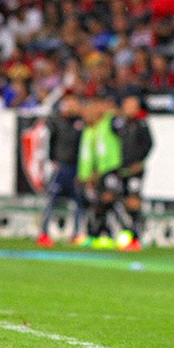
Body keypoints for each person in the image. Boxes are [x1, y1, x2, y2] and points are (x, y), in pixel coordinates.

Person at [36, 93, 85, 247]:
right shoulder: (56, 121)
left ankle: (77, 234)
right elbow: (50, 141)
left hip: (76, 168)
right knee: (51, 200)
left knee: (79, 202)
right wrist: (52, 160)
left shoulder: (80, 122)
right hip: (61, 166)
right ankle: (43, 233)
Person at [76, 97, 123, 249]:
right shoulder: (89, 130)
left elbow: (116, 112)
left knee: (108, 200)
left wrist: (104, 107)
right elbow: (91, 156)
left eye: (89, 111)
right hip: (95, 174)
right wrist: (87, 174)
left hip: (110, 170)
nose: (86, 115)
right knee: (95, 205)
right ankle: (99, 234)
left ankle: (126, 233)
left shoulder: (108, 123)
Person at [112, 95, 153, 251]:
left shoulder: (141, 124)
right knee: (120, 201)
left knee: (133, 201)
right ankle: (127, 233)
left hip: (135, 170)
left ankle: (136, 237)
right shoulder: (119, 124)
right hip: (120, 170)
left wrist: (140, 162)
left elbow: (149, 144)